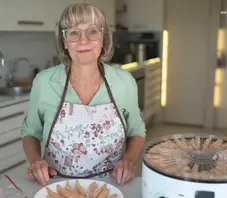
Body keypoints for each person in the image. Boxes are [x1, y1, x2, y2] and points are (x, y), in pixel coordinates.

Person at [21, 2, 146, 187]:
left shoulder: (124, 82)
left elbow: (136, 131)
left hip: (111, 186)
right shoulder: (44, 82)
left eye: (92, 31)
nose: (83, 40)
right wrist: (35, 161)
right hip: (57, 185)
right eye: (74, 32)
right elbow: (30, 132)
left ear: (103, 38)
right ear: (64, 41)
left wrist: (128, 160)